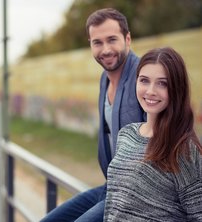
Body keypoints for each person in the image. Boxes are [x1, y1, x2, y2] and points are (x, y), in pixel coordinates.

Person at [41, 8, 145, 222]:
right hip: (111, 186)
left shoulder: (144, 78)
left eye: (112, 40)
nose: (105, 49)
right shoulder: (104, 80)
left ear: (128, 39)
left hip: (138, 195)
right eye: (97, 42)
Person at [104, 47, 202, 221]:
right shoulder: (127, 134)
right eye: (144, 81)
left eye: (162, 83)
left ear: (177, 89)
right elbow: (113, 204)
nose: (150, 91)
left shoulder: (184, 148)